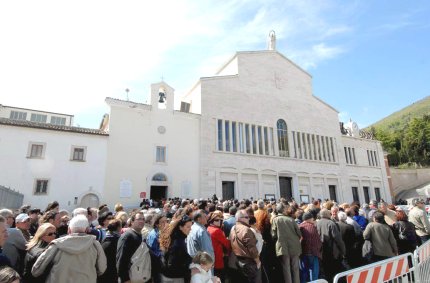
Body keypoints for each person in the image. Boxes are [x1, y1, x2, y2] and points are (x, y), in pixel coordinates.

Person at [31, 215, 107, 283]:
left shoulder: (57, 244)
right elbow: (102, 269)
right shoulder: (95, 245)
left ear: (69, 230)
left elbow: (36, 270)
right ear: (87, 230)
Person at [272, 203, 302, 283]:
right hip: (294, 246)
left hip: (283, 246)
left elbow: (273, 235)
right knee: (295, 268)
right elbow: (299, 233)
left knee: (286, 268)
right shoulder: (291, 219)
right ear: (284, 210)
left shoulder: (275, 220)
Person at [230, 209, 261, 283]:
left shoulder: (233, 228)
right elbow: (252, 248)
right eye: (246, 217)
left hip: (239, 261)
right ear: (240, 219)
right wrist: (258, 261)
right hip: (249, 262)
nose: (249, 219)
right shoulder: (246, 230)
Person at [159, 215, 193, 282]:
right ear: (180, 227)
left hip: (170, 276)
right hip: (174, 278)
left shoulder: (176, 238)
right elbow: (172, 265)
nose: (190, 229)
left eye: (191, 226)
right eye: (188, 227)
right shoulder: (177, 242)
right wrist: (189, 270)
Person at [316, 208, 345, 282]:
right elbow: (338, 239)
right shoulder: (331, 223)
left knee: (327, 273)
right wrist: (343, 251)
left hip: (322, 252)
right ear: (327, 214)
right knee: (336, 273)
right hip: (332, 252)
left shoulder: (317, 223)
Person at [116, 211, 145, 283]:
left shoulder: (139, 235)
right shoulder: (127, 236)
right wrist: (125, 279)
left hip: (139, 276)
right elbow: (121, 260)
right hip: (129, 278)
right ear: (132, 222)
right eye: (139, 219)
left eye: (143, 219)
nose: (142, 221)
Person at [207, 211, 230, 281]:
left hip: (212, 258)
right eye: (217, 220)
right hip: (218, 258)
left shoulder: (208, 228)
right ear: (211, 221)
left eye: (221, 220)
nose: (219, 221)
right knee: (220, 278)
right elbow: (227, 244)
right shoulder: (217, 231)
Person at [299, 212, 321, 283]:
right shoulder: (312, 227)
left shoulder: (300, 226)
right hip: (312, 252)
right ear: (310, 218)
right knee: (314, 272)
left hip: (303, 253)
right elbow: (317, 241)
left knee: (304, 272)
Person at [97, 219, 122, 283]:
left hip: (103, 274)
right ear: (119, 228)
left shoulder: (104, 240)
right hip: (113, 275)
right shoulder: (119, 242)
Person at [147, 214, 168, 283]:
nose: (165, 224)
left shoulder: (163, 232)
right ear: (157, 224)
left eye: (166, 221)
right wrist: (164, 252)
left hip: (163, 264)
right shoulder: (154, 235)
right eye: (162, 222)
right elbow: (152, 253)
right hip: (157, 267)